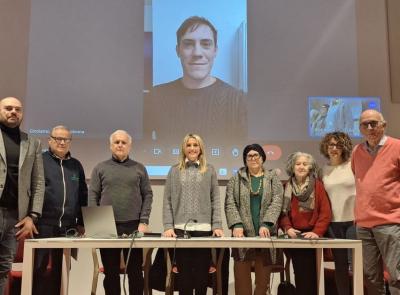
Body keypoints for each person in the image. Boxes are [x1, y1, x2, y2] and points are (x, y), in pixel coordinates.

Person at [144, 16, 247, 144]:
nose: (197, 53)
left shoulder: (238, 101)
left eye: (205, 44)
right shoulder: (155, 97)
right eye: (188, 44)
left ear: (215, 51)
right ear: (178, 51)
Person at [89, 130, 153, 295]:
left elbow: (148, 195)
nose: (120, 145)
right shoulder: (100, 168)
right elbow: (93, 195)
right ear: (111, 145)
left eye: (123, 142)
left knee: (135, 273)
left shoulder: (139, 168)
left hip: (134, 226)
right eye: (116, 142)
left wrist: (144, 221)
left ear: (129, 146)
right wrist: (95, 224)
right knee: (111, 273)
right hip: (106, 226)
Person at [163, 133, 223, 295]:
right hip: (180, 230)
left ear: (200, 149)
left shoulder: (209, 170)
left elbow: (215, 199)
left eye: (195, 145)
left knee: (202, 277)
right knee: (184, 278)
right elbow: (167, 200)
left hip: (204, 230)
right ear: (184, 148)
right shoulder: (174, 171)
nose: (192, 148)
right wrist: (168, 226)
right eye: (188, 145)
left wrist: (217, 225)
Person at [32, 125, 88, 295]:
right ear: (50, 140)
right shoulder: (40, 160)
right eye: (58, 139)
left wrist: (82, 222)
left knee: (61, 269)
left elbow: (82, 195)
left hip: (68, 227)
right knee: (40, 269)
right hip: (43, 225)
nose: (62, 142)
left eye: (66, 139)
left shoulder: (76, 165)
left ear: (70, 142)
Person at [351, 109, 400, 295]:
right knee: (370, 277)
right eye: (365, 124)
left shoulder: (397, 146)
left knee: (397, 275)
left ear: (384, 125)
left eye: (374, 123)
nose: (370, 128)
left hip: (391, 222)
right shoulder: (357, 151)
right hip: (363, 224)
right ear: (360, 128)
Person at [225, 143, 283, 295]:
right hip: (242, 236)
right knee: (241, 279)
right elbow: (230, 203)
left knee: (262, 282)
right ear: (245, 159)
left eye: (256, 155)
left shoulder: (272, 179)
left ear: (262, 158)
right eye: (249, 156)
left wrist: (267, 224)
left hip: (266, 235)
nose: (253, 158)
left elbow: (277, 202)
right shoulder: (235, 179)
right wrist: (236, 225)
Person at [0, 96, 45, 294]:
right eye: (8, 108)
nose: (13, 112)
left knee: (3, 268)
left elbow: (38, 182)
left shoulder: (32, 143)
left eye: (17, 109)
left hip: (14, 218)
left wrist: (32, 216)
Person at [279, 152, 332, 295]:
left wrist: (316, 232)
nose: (301, 166)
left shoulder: (318, 186)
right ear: (292, 166)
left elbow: (325, 212)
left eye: (304, 164)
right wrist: (288, 228)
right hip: (295, 237)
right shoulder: (286, 187)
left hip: (313, 237)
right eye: (298, 164)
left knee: (312, 276)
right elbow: (282, 214)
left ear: (310, 167)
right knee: (300, 274)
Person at [320, 132, 355, 295]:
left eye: (338, 145)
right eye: (331, 145)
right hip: (333, 224)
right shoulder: (323, 170)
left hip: (354, 222)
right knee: (340, 267)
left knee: (356, 265)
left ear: (344, 147)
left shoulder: (352, 165)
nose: (334, 148)